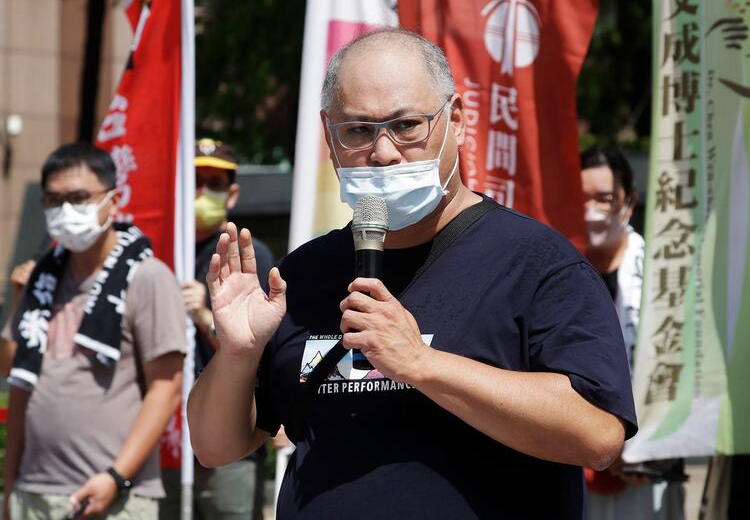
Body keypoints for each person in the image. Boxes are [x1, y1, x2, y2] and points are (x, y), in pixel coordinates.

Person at [187, 28, 638, 519]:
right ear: (329, 136)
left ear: (457, 121)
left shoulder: (537, 265)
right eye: (357, 131)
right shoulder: (304, 273)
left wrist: (422, 364)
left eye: (406, 125)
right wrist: (237, 352)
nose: (383, 152)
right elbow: (215, 447)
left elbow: (597, 435)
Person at [1, 143, 186, 519]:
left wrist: (116, 476)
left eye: (79, 197)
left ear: (113, 201)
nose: (66, 211)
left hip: (111, 497)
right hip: (33, 492)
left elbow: (166, 389)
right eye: (53, 200)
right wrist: (10, 489)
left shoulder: (146, 277)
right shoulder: (40, 279)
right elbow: (14, 376)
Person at [159, 139, 274, 520]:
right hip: (166, 440)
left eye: (214, 183)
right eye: (194, 180)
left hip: (229, 442)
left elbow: (259, 350)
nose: (201, 191)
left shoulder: (244, 255)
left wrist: (205, 316)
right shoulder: (160, 253)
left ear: (232, 193)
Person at [581, 147, 686, 519]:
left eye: (604, 199)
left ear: (629, 203)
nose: (591, 210)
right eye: (582, 199)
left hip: (649, 468)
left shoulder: (666, 277)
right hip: (576, 462)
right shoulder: (558, 270)